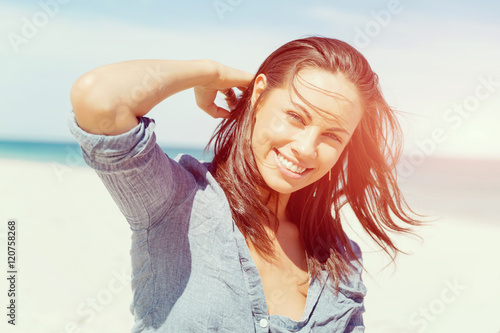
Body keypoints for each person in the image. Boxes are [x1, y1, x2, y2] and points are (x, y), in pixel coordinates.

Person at [67, 36, 421, 332]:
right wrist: (210, 72)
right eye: (296, 116)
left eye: (332, 135)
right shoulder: (176, 201)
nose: (306, 149)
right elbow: (98, 98)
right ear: (259, 95)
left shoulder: (341, 258)